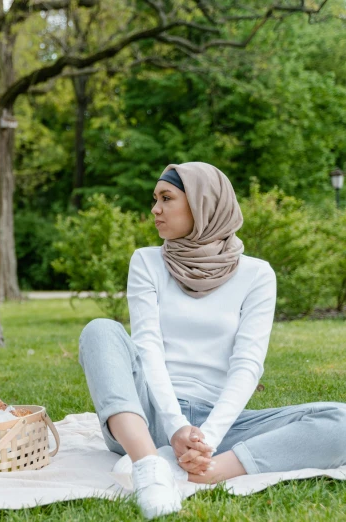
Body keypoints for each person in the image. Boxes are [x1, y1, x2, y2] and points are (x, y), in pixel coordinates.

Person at [78, 162, 346, 519]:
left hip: (219, 423)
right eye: (154, 199)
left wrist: (209, 440)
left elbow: (248, 364)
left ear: (202, 204)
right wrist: (174, 428)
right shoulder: (146, 262)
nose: (155, 209)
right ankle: (149, 465)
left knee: (340, 420)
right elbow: (148, 349)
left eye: (166, 198)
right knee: (100, 330)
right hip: (145, 417)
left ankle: (210, 471)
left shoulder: (257, 274)